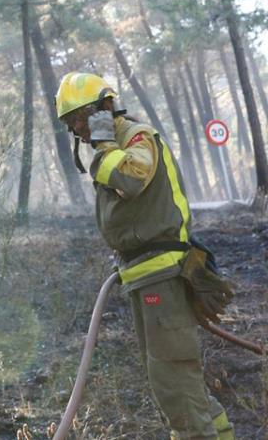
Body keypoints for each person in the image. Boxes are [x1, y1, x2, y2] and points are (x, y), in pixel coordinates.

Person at [55, 72, 235, 440]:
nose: (77, 127)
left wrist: (105, 146)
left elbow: (133, 176)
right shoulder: (116, 142)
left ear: (105, 107)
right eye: (70, 121)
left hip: (161, 275)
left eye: (79, 116)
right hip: (144, 275)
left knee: (174, 382)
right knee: (175, 383)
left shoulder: (134, 137)